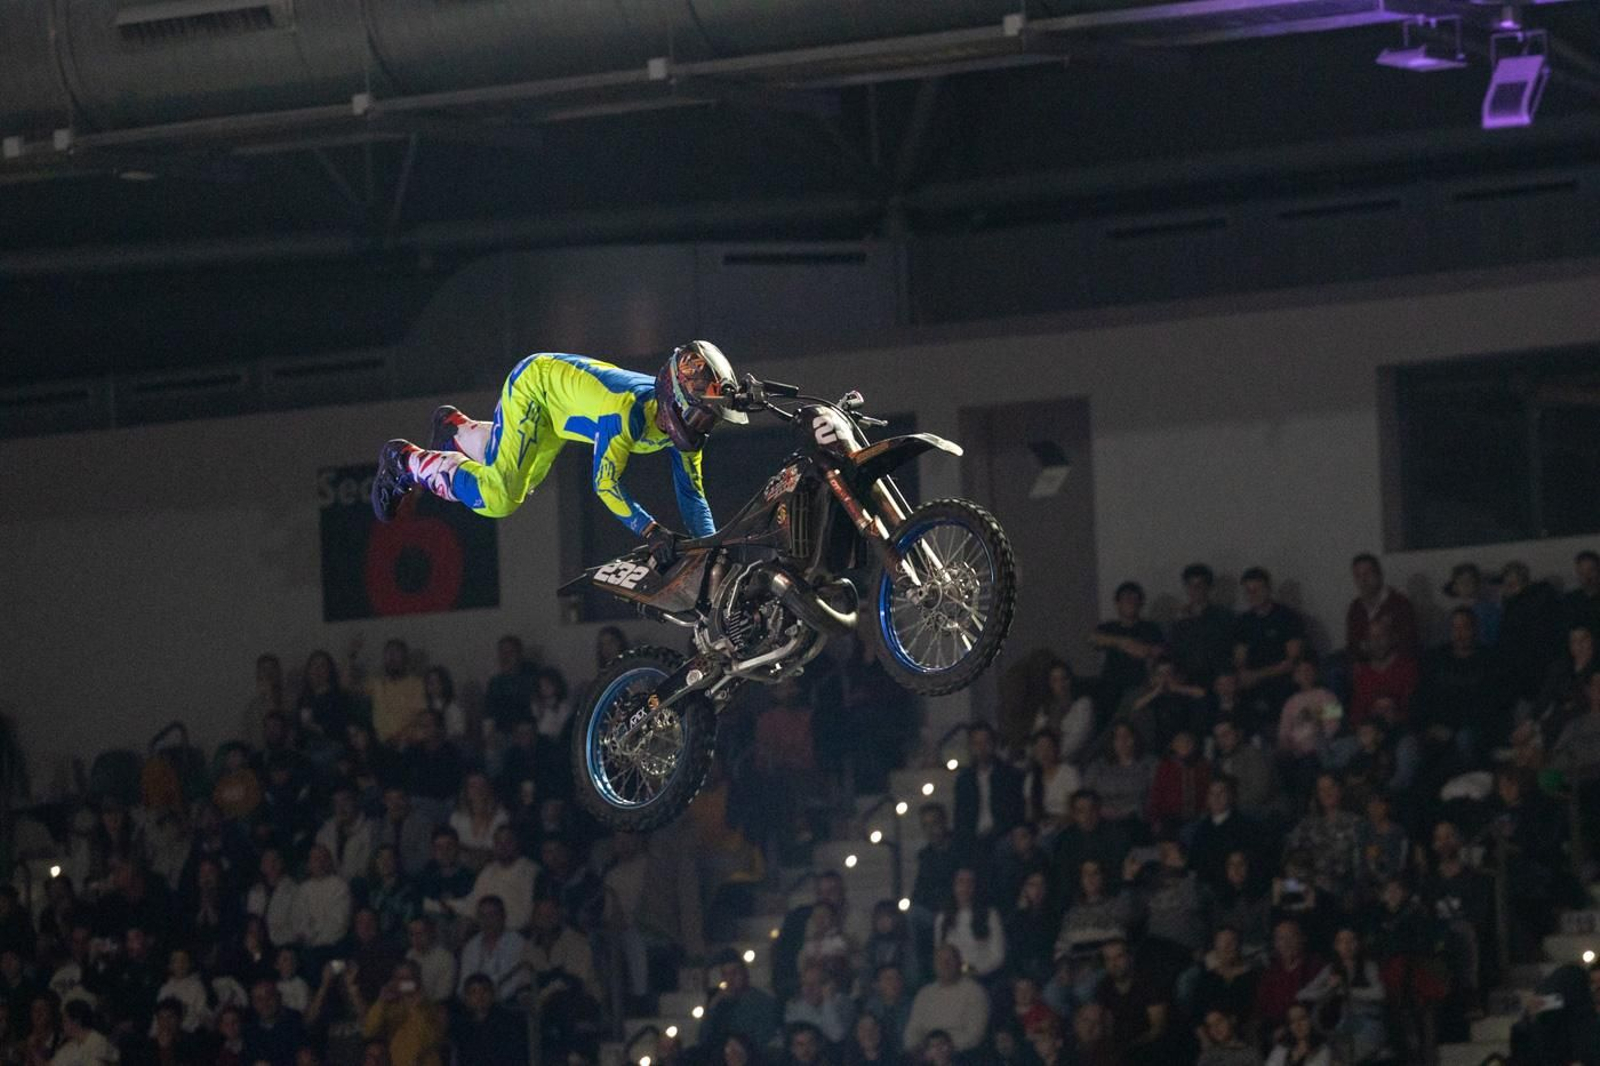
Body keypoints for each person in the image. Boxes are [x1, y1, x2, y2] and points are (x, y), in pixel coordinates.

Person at [370, 345, 743, 567]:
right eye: (699, 412)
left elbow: (692, 496)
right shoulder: (626, 412)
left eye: (709, 418)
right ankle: (404, 461)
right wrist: (650, 530)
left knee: (523, 479)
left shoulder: (684, 429)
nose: (702, 425)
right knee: (499, 497)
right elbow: (605, 483)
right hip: (536, 389)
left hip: (556, 411)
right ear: (674, 395)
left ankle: (455, 430)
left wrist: (712, 551)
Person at [902, 945, 988, 1053]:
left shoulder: (974, 991)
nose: (945, 964)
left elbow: (975, 1035)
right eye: (940, 960)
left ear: (959, 963)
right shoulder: (924, 994)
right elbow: (913, 1030)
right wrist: (915, 1048)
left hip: (960, 1055)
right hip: (927, 1056)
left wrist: (940, 1049)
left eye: (950, 960)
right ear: (934, 965)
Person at [697, 951, 780, 1054]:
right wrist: (712, 1010)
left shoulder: (763, 1002)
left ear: (745, 974)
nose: (729, 979)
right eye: (725, 974)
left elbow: (763, 1039)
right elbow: (703, 1039)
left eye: (734, 973)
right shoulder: (718, 1001)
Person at [1344, 554, 1419, 659]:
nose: (1363, 580)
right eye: (1358, 576)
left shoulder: (1400, 604)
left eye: (1367, 574)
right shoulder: (1355, 608)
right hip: (1365, 667)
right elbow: (1352, 644)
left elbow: (1409, 642)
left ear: (1379, 574)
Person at [1263, 1003, 1330, 1066]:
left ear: (1310, 1020)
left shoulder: (1322, 1050)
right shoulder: (1281, 1049)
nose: (1298, 1025)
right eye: (1292, 1021)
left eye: (1302, 1019)